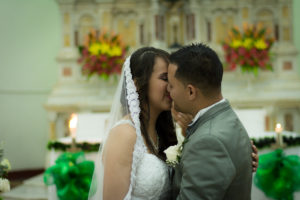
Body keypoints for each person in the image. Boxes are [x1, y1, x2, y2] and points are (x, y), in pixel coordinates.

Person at [89, 47, 258, 200]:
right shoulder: (124, 134)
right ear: (138, 84)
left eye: (172, 81)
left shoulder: (165, 131)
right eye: (165, 79)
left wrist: (234, 159)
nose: (171, 88)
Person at [168, 43, 253, 200]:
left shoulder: (208, 141)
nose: (168, 91)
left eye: (171, 86)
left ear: (191, 91)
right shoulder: (226, 117)